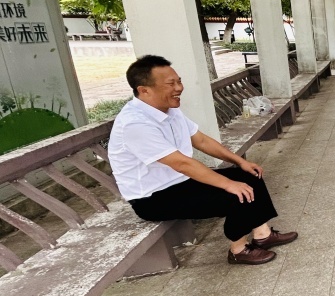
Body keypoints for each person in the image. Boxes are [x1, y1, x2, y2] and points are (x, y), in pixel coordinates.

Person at [107, 55, 297, 265]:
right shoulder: (135, 124)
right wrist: (228, 184)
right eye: (171, 84)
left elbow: (201, 141)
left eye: (179, 81)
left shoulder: (170, 110)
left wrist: (240, 162)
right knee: (235, 194)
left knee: (249, 175)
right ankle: (238, 249)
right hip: (153, 198)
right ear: (144, 90)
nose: (179, 88)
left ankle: (263, 235)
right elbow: (181, 164)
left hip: (179, 182)